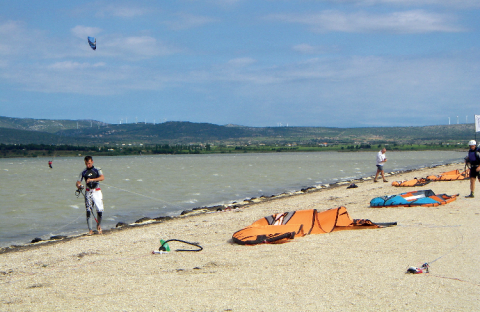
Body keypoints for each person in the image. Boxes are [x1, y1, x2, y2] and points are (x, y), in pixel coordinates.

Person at [76, 156, 105, 234]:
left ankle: (98, 225)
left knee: (99, 210)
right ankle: (90, 230)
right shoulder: (84, 172)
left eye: (89, 163)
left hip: (97, 191)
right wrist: (79, 185)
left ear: (92, 162)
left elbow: (102, 178)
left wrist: (92, 179)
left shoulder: (97, 169)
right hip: (88, 192)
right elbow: (78, 181)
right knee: (88, 210)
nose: (88, 165)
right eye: (86, 163)